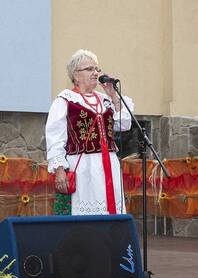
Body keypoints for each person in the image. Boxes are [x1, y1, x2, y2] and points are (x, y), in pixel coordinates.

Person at [46, 49, 134, 216]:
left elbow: (124, 124)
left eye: (96, 69)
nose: (95, 73)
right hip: (84, 167)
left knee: (111, 211)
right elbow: (55, 138)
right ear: (75, 75)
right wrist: (59, 169)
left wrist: (114, 96)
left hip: (109, 163)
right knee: (86, 213)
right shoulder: (65, 100)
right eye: (89, 69)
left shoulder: (104, 99)